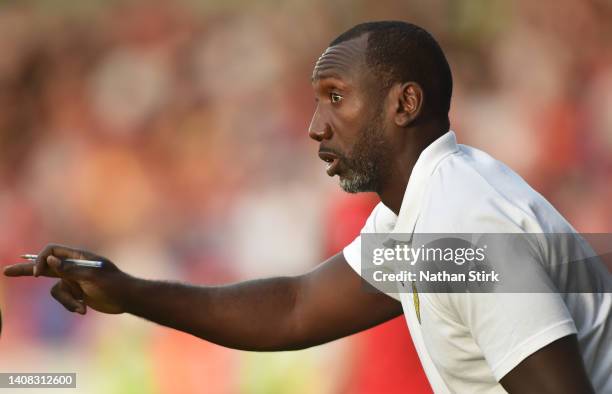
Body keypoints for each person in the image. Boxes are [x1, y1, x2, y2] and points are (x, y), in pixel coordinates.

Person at [4, 21, 611, 393]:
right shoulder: (420, 214)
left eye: (336, 98)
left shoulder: (463, 229)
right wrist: (129, 292)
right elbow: (294, 309)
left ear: (404, 103)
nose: (315, 127)